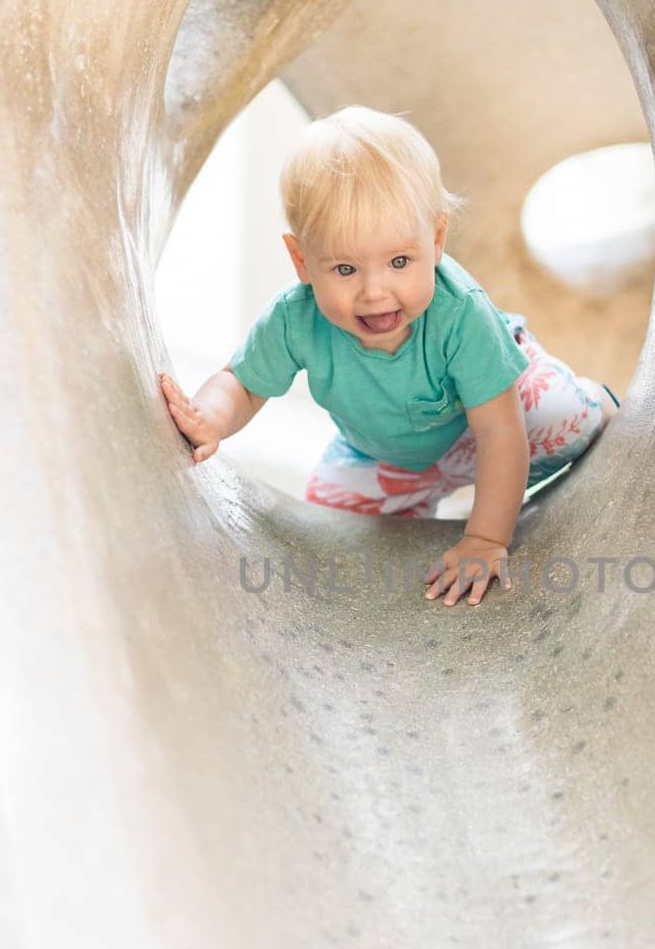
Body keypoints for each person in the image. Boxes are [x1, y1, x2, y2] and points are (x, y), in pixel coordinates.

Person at [159, 105, 619, 607]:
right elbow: (244, 383)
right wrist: (210, 419)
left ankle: (595, 399)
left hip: (490, 419)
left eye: (400, 262)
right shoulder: (296, 318)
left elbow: (500, 431)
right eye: (345, 268)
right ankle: (419, 500)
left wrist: (485, 540)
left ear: (437, 240)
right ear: (301, 260)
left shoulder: (460, 314)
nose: (376, 292)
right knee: (329, 535)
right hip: (383, 454)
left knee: (564, 416)